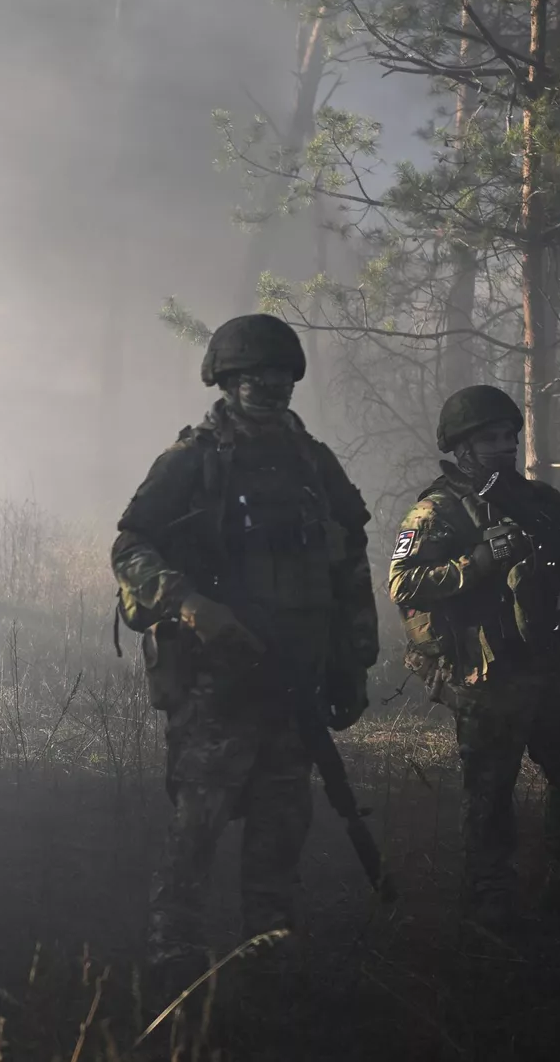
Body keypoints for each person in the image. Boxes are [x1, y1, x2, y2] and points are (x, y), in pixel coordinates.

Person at [111, 314, 378, 975]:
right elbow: (130, 546)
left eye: (280, 374)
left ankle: (269, 942)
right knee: (200, 815)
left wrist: (353, 661)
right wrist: (192, 605)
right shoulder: (193, 460)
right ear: (225, 381)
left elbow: (351, 559)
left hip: (298, 673)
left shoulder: (313, 462)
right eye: (251, 376)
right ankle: (175, 945)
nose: (267, 386)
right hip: (218, 675)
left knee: (284, 815)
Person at [388, 385, 560, 933]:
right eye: (489, 437)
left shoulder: (541, 501)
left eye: (509, 436)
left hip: (555, 663)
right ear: (461, 448)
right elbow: (402, 584)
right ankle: (491, 895)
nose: (503, 446)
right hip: (489, 672)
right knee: (490, 790)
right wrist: (479, 561)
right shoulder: (436, 509)